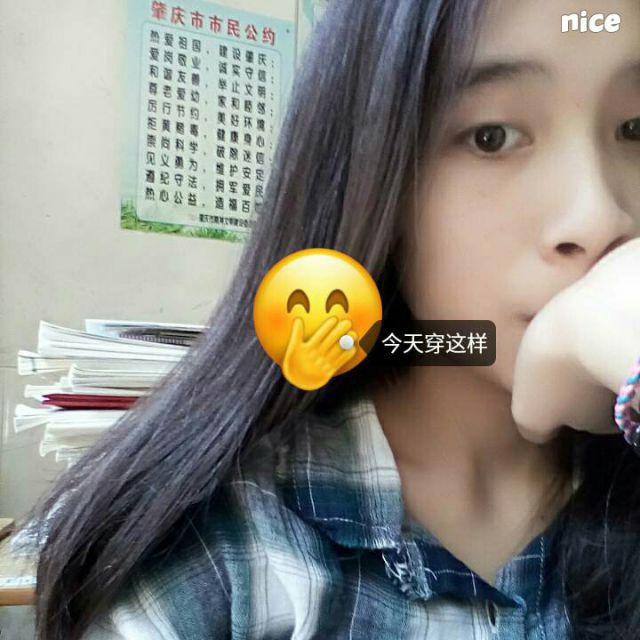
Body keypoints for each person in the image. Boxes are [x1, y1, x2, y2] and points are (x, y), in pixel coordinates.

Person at [20, 0, 640, 638]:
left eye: (635, 129)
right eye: (492, 136)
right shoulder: (218, 554)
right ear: (367, 173)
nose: (600, 217)